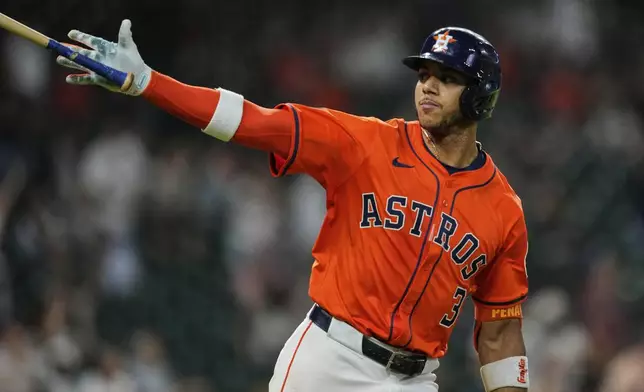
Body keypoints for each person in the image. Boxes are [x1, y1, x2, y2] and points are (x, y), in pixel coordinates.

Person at [56, 20, 531, 392]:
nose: (427, 87)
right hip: (329, 360)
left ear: (479, 97)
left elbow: (499, 334)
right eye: (424, 74)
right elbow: (250, 121)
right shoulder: (362, 142)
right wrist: (149, 83)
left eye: (446, 79)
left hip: (414, 379)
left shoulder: (503, 210)